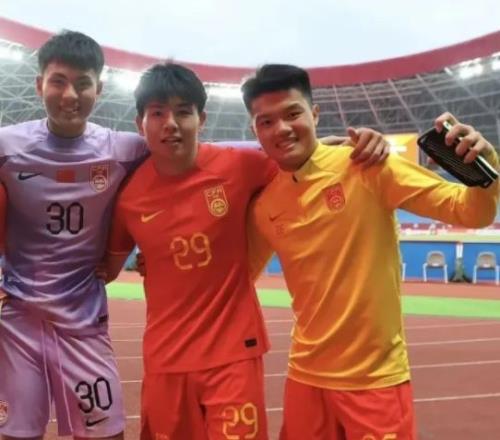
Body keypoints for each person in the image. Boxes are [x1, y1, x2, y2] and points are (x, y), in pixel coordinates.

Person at [103, 62, 390, 440]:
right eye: (157, 113)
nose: (170, 123)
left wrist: (358, 143)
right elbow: (105, 267)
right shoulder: (128, 198)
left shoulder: (242, 166)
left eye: (183, 112)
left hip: (234, 354)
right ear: (140, 124)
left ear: (201, 119)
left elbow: (303, 161)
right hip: (165, 360)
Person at [241, 64, 499, 440]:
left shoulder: (367, 165)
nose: (281, 129)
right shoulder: (265, 206)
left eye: (292, 113)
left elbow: (471, 212)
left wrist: (485, 167)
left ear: (315, 114)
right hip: (305, 379)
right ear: (255, 131)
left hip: (374, 380)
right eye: (266, 121)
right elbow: (237, 277)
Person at [0, 30, 148, 440]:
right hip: (18, 318)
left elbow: (192, 158)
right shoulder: (7, 146)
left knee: (107, 434)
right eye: (58, 81)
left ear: (99, 88)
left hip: (83, 318)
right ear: (39, 85)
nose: (70, 95)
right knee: (16, 435)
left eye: (83, 83)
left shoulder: (124, 150)